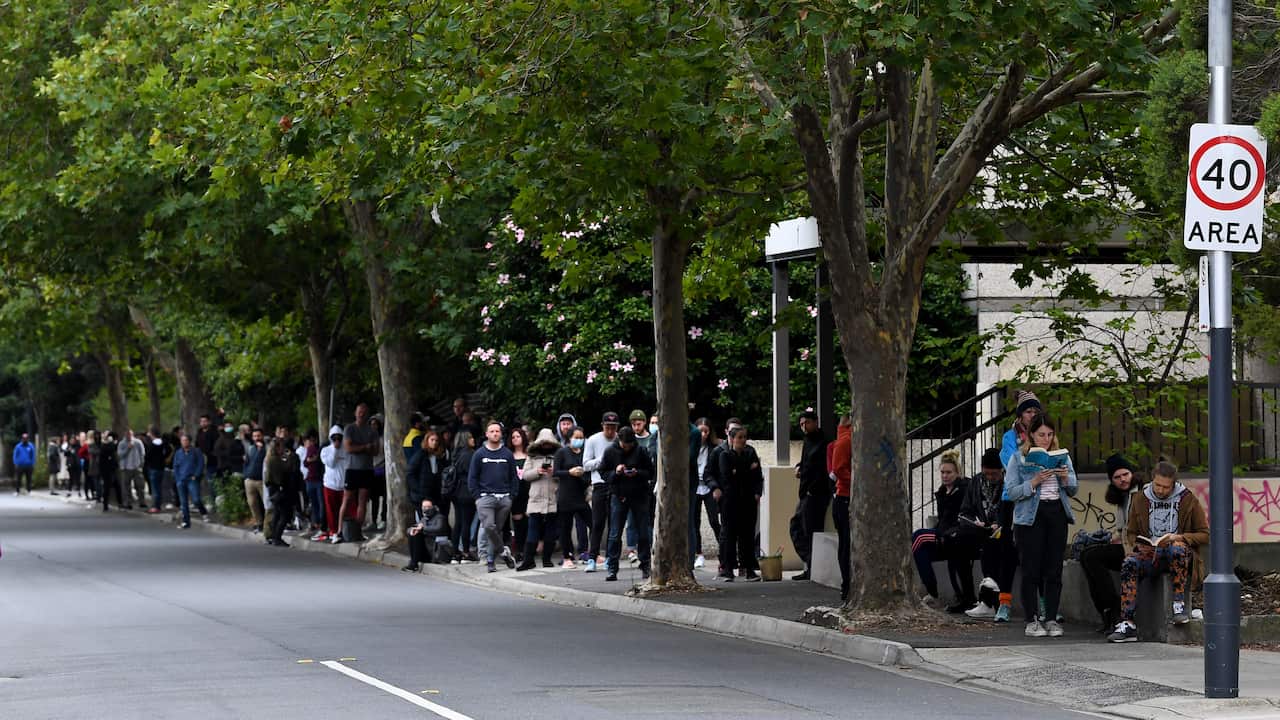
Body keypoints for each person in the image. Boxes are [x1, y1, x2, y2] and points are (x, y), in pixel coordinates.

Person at [1108, 461, 1209, 643]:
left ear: (1174, 484)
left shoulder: (1187, 499)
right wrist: (1138, 546)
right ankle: (1128, 622)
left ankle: (1179, 606)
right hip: (1150, 554)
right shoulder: (1140, 499)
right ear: (1152, 480)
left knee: (1176, 548)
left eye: (1166, 487)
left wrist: (1178, 537)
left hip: (1178, 555)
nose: (1161, 490)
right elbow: (1131, 532)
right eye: (1158, 485)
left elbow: (1204, 535)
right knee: (1129, 563)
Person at [1004, 415, 1078, 638]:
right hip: (1030, 517)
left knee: (1054, 569)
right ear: (1031, 435)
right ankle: (1032, 619)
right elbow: (1012, 492)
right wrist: (1033, 482)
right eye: (1041, 435)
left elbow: (1073, 489)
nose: (1045, 439)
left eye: (1049, 434)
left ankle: (1052, 619)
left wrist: (1066, 478)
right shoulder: (1018, 458)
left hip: (1056, 512)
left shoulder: (1061, 457)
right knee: (1031, 569)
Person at [910, 453, 979, 612]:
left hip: (956, 536)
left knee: (918, 536)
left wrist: (942, 534)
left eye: (949, 472)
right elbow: (943, 520)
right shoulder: (942, 491)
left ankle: (933, 593)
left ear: (957, 473)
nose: (945, 476)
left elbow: (960, 518)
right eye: (942, 472)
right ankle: (932, 592)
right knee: (920, 548)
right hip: (944, 535)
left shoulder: (963, 489)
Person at [1080, 454, 1140, 633]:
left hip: (1138, 548)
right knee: (1086, 555)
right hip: (1126, 545)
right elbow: (1123, 529)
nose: (1122, 479)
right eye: (1117, 477)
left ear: (1132, 474)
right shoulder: (1122, 497)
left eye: (1125, 474)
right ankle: (1105, 610)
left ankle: (1114, 608)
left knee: (1092, 557)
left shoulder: (1140, 493)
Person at [959, 449, 1018, 623]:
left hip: (1003, 531)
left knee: (993, 547)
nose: (991, 477)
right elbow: (965, 510)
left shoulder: (1009, 482)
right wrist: (976, 522)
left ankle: (989, 601)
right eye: (987, 473)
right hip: (980, 529)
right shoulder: (976, 482)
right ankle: (967, 597)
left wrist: (998, 524)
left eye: (994, 474)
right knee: (958, 543)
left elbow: (1010, 510)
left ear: (1002, 470)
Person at [711, 426, 764, 582]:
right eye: (739, 437)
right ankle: (727, 569)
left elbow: (757, 475)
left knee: (747, 536)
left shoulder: (750, 453)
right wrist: (746, 469)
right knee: (729, 535)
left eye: (744, 437)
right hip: (731, 501)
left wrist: (757, 492)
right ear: (732, 439)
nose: (743, 440)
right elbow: (727, 476)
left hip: (748, 500)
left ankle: (748, 569)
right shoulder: (724, 455)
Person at [601, 427, 654, 582]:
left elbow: (650, 472)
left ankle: (645, 565)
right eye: (625, 445)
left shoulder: (641, 450)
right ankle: (612, 568)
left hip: (639, 494)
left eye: (630, 445)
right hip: (619, 495)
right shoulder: (611, 451)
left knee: (643, 532)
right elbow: (603, 473)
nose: (627, 448)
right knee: (614, 533)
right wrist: (616, 473)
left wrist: (637, 472)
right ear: (619, 441)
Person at [468, 421, 519, 572]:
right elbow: (472, 478)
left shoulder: (507, 454)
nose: (495, 434)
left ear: (501, 434)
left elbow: (513, 477)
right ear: (487, 434)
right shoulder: (479, 454)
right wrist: (477, 497)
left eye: (497, 431)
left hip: (504, 498)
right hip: (485, 498)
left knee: (496, 530)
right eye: (492, 431)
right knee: (489, 526)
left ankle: (491, 560)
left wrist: (511, 496)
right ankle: (503, 552)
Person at [790, 410, 829, 581]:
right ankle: (810, 563)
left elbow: (823, 469)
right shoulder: (808, 441)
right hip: (806, 492)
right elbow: (806, 461)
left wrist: (811, 490)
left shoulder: (824, 442)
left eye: (807, 423)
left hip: (816, 494)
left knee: (810, 530)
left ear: (816, 422)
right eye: (801, 424)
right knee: (798, 527)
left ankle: (813, 567)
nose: (804, 427)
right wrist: (799, 467)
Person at [581, 411, 621, 572]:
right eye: (607, 427)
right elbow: (586, 464)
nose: (610, 430)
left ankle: (612, 557)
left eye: (613, 427)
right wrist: (602, 460)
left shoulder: (619, 439)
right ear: (602, 426)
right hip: (599, 484)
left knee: (615, 523)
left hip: (615, 483)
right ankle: (592, 557)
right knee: (597, 523)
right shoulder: (593, 440)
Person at [517, 428, 561, 571]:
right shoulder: (531, 456)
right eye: (544, 443)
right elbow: (525, 475)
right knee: (532, 530)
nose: (546, 446)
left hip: (552, 497)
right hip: (535, 498)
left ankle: (547, 559)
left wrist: (553, 472)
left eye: (549, 444)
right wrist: (538, 471)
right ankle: (528, 560)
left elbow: (563, 475)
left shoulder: (558, 456)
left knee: (550, 531)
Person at [338, 403, 377, 540]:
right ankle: (339, 531)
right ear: (355, 413)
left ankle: (357, 531)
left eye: (364, 412)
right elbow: (348, 448)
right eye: (360, 411)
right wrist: (365, 447)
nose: (362, 414)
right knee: (347, 499)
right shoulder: (350, 428)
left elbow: (376, 450)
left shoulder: (372, 431)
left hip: (366, 469)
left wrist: (365, 448)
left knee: (362, 501)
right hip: (352, 468)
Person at [554, 426, 590, 568]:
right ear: (569, 438)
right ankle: (567, 556)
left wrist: (582, 475)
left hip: (581, 495)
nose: (579, 440)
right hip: (565, 495)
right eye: (576, 437)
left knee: (592, 523)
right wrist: (569, 472)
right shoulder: (562, 452)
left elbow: (588, 473)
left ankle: (591, 553)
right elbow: (556, 472)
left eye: (581, 438)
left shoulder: (585, 453)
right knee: (565, 527)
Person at [689, 418, 721, 569]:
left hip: (709, 486)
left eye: (706, 431)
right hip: (695, 485)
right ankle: (698, 553)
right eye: (700, 431)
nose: (703, 434)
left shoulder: (714, 448)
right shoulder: (690, 445)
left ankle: (724, 550)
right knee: (694, 522)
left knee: (714, 520)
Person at [625, 409, 657, 561]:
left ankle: (648, 546)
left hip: (647, 483)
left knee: (648, 518)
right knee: (631, 519)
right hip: (631, 484)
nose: (636, 427)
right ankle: (632, 549)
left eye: (639, 423)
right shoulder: (630, 441)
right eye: (633, 424)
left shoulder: (652, 439)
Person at [828, 416, 853, 602]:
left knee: (846, 543)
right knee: (846, 542)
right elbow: (839, 469)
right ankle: (847, 585)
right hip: (846, 497)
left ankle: (848, 585)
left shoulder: (844, 440)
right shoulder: (847, 441)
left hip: (844, 497)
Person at [447, 430, 478, 562]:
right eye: (470, 437)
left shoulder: (456, 454)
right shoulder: (470, 455)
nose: (473, 439)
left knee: (459, 523)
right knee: (466, 522)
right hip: (467, 491)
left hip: (456, 492)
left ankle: (455, 553)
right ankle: (465, 552)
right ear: (466, 440)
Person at [265, 438, 301, 547]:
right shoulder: (274, 460)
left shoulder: (273, 459)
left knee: (277, 513)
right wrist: (290, 458)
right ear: (277, 447)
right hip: (278, 489)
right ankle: (277, 537)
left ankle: (273, 536)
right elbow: (283, 472)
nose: (283, 449)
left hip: (275, 489)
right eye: (281, 446)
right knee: (284, 514)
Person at [171, 433, 208, 529]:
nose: (184, 442)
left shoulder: (196, 451)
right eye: (182, 440)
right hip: (182, 479)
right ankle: (186, 522)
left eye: (185, 440)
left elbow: (201, 464)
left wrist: (196, 475)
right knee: (184, 503)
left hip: (192, 478)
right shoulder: (178, 453)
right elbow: (175, 466)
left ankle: (203, 512)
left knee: (196, 499)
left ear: (189, 441)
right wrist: (178, 478)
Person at [403, 498, 451, 572]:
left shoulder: (440, 518)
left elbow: (438, 528)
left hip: (435, 551)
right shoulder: (424, 519)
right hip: (425, 549)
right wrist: (412, 530)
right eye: (424, 507)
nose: (425, 509)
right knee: (414, 534)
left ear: (434, 507)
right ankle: (413, 562)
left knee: (418, 535)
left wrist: (422, 529)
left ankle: (414, 563)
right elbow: (414, 527)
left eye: (428, 507)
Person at [320, 426, 348, 543]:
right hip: (330, 485)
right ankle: (333, 531)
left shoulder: (346, 450)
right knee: (331, 510)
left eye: (339, 438)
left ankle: (343, 531)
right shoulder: (325, 450)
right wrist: (335, 450)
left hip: (343, 485)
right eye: (334, 438)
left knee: (344, 510)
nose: (337, 440)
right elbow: (331, 463)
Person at [508, 426, 531, 563]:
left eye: (518, 436)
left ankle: (529, 550)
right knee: (517, 522)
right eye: (513, 437)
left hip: (528, 491)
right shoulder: (509, 455)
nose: (516, 439)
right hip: (515, 493)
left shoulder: (529, 454)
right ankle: (519, 550)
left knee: (529, 521)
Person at [1000, 390, 1042, 467]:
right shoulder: (1010, 436)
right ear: (1020, 415)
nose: (1033, 415)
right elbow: (1011, 463)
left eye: (1035, 412)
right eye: (1028, 412)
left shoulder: (1043, 433)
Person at [299, 431, 324, 537]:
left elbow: (318, 461)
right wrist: (311, 459)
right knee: (313, 503)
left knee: (320, 502)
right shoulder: (308, 450)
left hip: (318, 480)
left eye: (312, 440)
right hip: (310, 480)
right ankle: (315, 522)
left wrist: (313, 459)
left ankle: (321, 522)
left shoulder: (319, 449)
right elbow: (306, 462)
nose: (311, 442)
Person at [243, 428, 267, 533]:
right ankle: (259, 523)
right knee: (252, 503)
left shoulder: (267, 448)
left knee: (266, 503)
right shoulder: (250, 448)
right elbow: (246, 462)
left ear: (262, 436)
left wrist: (261, 450)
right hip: (250, 479)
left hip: (261, 479)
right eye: (255, 436)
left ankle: (268, 524)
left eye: (258, 436)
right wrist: (246, 474)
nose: (257, 438)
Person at [117, 429, 146, 510]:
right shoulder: (122, 444)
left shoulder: (138, 442)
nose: (129, 436)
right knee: (126, 486)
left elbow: (142, 453)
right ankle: (128, 503)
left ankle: (142, 502)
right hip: (126, 467)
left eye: (130, 434)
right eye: (127, 435)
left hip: (136, 467)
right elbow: (120, 455)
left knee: (140, 485)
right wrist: (128, 448)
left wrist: (141, 464)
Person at [143, 428, 170, 514]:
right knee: (159, 487)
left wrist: (148, 463)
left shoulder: (152, 445)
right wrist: (163, 457)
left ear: (152, 434)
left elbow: (147, 456)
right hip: (161, 467)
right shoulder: (163, 443)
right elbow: (169, 450)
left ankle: (156, 506)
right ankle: (158, 504)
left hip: (153, 467)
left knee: (155, 488)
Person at [99, 432, 120, 512]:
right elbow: (110, 450)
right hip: (107, 469)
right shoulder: (106, 446)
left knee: (115, 486)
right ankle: (106, 504)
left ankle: (117, 502)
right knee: (108, 487)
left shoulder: (106, 446)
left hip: (109, 469)